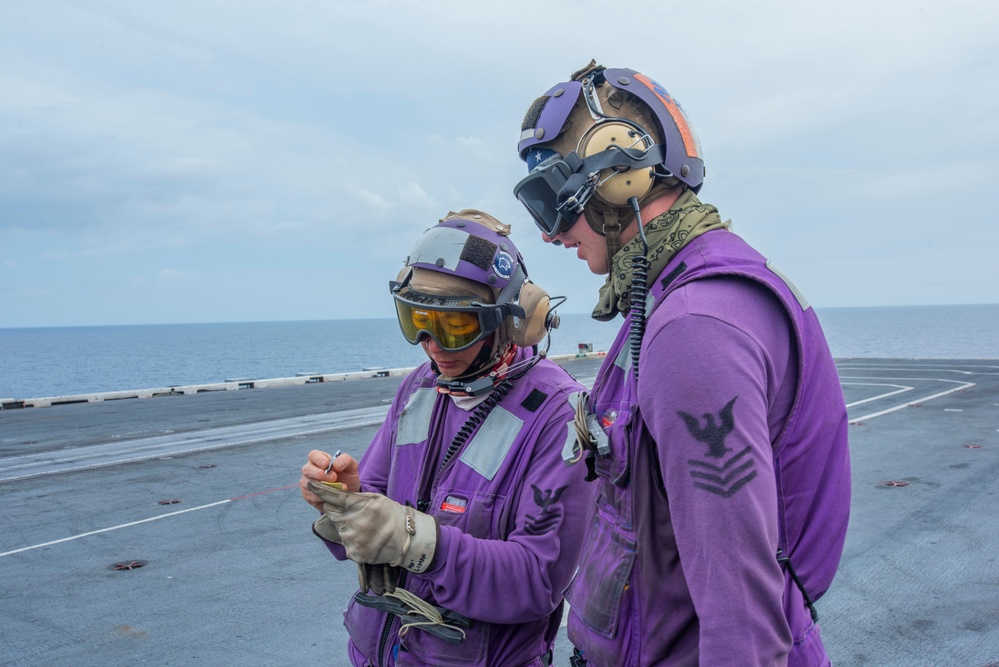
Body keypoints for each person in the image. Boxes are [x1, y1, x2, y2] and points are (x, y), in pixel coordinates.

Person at [512, 61, 852, 666]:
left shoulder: (692, 328)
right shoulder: (677, 297)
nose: (549, 234)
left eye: (551, 201)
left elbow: (742, 621)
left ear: (617, 176)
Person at [299, 209, 593, 667]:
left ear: (510, 322)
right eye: (417, 318)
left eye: (454, 326)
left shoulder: (559, 415)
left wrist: (415, 541)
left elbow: (537, 581)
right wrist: (347, 500)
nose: (432, 346)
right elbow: (374, 513)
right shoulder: (420, 387)